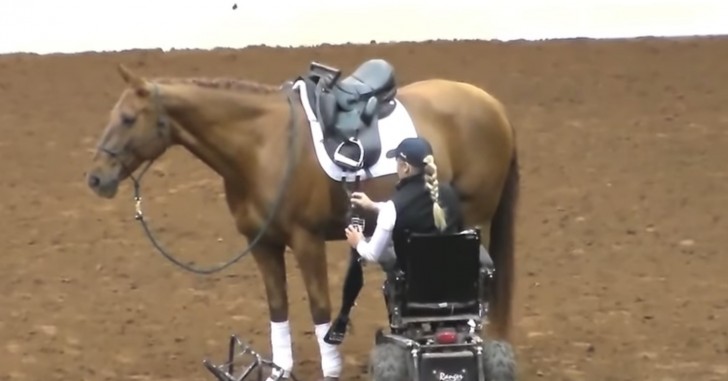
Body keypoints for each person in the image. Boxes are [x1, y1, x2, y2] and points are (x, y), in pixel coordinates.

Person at [324, 136, 465, 345]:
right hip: (452, 279)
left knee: (374, 248)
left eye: (397, 162)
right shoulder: (449, 193)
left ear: (406, 167)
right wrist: (374, 206)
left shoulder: (394, 208)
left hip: (417, 282)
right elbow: (420, 213)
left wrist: (358, 241)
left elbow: (371, 254)